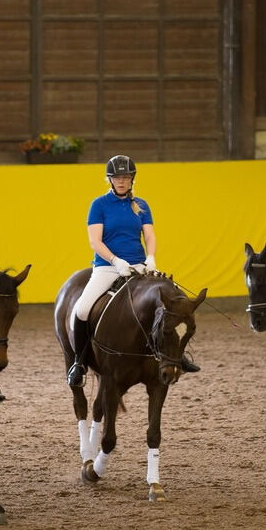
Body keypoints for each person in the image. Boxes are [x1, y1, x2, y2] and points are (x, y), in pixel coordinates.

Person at [66, 155, 198, 387]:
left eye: (126, 177)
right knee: (82, 309)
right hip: (107, 267)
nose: (121, 181)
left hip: (138, 267)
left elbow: (149, 235)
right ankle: (79, 363)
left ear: (132, 179)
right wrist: (116, 261)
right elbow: (95, 241)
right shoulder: (99, 205)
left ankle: (177, 356)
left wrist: (151, 258)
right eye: (117, 177)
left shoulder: (142, 205)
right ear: (110, 179)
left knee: (174, 301)